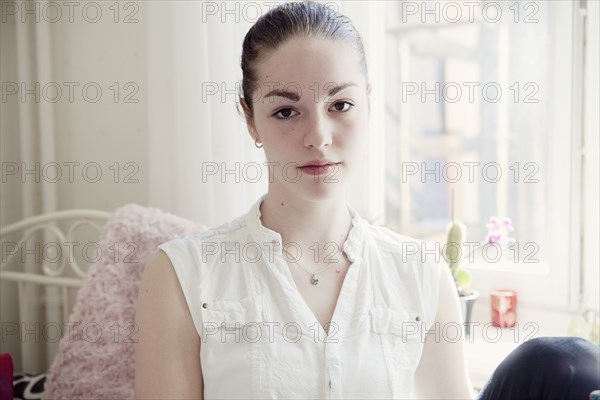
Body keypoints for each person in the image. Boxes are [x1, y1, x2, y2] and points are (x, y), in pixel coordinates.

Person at [133, 2, 599, 399]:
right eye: (285, 111)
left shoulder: (420, 272)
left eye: (340, 105)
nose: (318, 136)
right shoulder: (184, 274)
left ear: (369, 104)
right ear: (251, 120)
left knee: (566, 361)